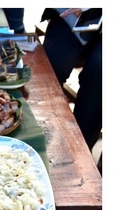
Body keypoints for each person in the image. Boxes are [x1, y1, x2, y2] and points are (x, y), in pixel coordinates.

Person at [41, 8, 102, 151]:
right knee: (51, 65)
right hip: (73, 14)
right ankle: (44, 140)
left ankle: (79, 152)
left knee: (100, 74)